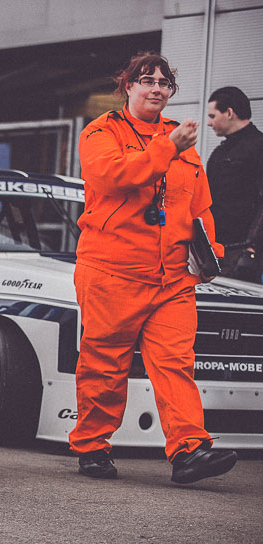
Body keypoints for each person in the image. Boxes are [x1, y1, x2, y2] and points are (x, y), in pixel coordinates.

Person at [71, 51, 237, 484]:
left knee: (176, 363)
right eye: (148, 81)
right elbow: (113, 177)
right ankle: (92, 445)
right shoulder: (100, 133)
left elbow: (199, 204)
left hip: (173, 277)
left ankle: (189, 450)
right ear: (128, 86)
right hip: (112, 271)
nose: (157, 89)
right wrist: (168, 148)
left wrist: (210, 254)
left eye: (164, 83)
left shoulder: (178, 138)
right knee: (105, 363)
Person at [206, 86, 263, 283]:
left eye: (213, 116)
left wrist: (252, 249)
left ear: (229, 113)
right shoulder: (220, 153)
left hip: (242, 253)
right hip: (216, 250)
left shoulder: (259, 147)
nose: (208, 122)